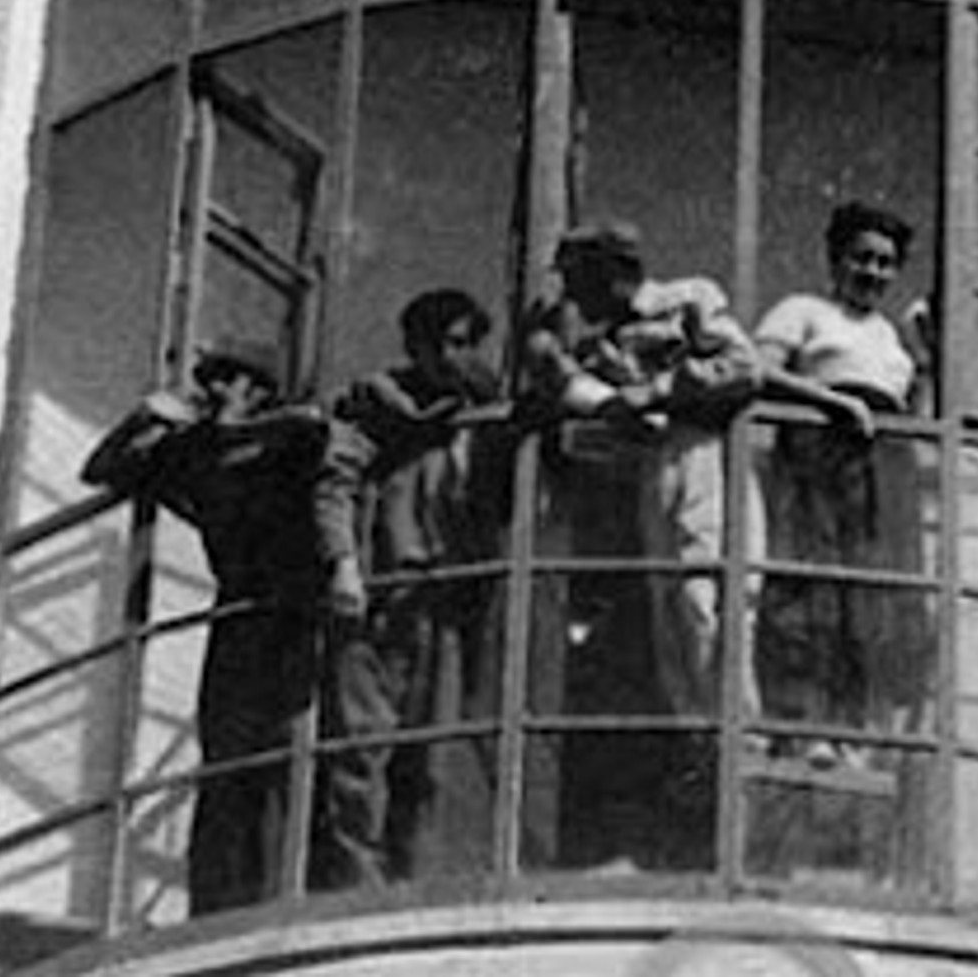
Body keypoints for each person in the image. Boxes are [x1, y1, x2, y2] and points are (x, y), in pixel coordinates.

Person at [518, 221, 762, 863]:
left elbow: (743, 366)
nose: (575, 297)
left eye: (580, 281)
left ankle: (738, 732)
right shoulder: (600, 342)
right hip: (655, 465)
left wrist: (654, 390)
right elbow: (574, 392)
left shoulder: (686, 299)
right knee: (667, 606)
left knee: (704, 596)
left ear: (613, 272)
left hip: (702, 451)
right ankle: (698, 738)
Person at [81, 335, 336, 916]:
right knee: (225, 759)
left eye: (228, 378)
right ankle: (218, 903)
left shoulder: (285, 440)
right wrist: (142, 419)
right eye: (212, 379)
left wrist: (226, 428)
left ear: (259, 388)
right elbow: (101, 470)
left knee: (291, 753)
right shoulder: (195, 451)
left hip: (297, 610)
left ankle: (287, 893)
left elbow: (317, 430)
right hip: (239, 614)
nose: (214, 389)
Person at [315, 287, 515, 887]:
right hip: (380, 597)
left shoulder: (482, 413)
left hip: (444, 601)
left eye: (466, 343)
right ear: (416, 346)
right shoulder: (377, 403)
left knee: (429, 758)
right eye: (444, 344)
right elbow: (336, 481)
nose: (455, 357)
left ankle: (412, 881)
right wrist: (343, 563)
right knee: (361, 749)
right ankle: (358, 888)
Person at [753, 202, 933, 768]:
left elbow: (911, 409)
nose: (873, 272)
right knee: (812, 587)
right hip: (820, 453)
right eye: (862, 258)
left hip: (882, 465)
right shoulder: (803, 311)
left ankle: (855, 733)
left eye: (885, 263)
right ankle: (804, 727)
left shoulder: (890, 337)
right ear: (836, 259)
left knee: (871, 597)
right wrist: (830, 401)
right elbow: (757, 370)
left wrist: (926, 362)